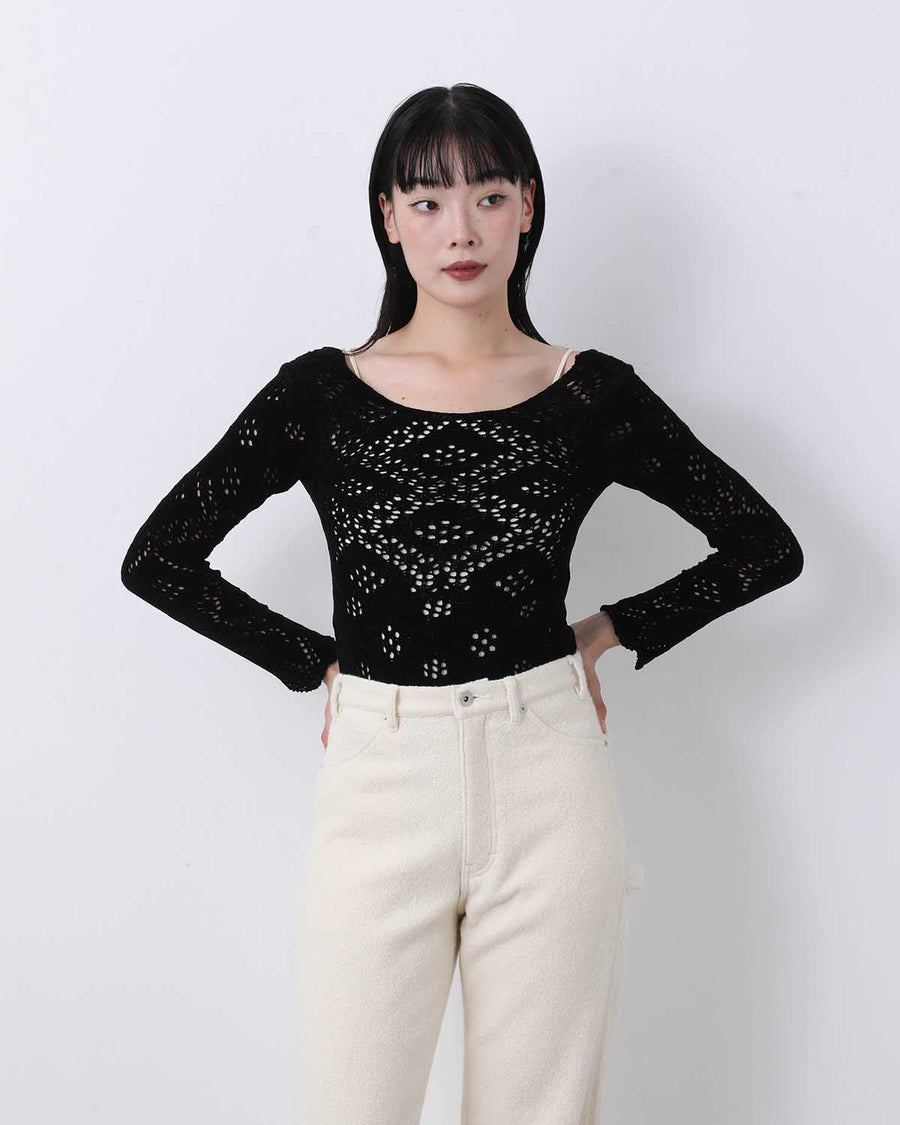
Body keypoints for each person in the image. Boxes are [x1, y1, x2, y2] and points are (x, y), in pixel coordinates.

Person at [120, 82, 803, 1124]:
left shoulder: (591, 393)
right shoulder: (318, 394)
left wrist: (607, 632)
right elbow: (160, 558)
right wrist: (318, 660)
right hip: (381, 774)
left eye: (487, 195)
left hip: (549, 773)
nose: (461, 230)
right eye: (428, 200)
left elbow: (764, 546)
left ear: (528, 204)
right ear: (388, 217)